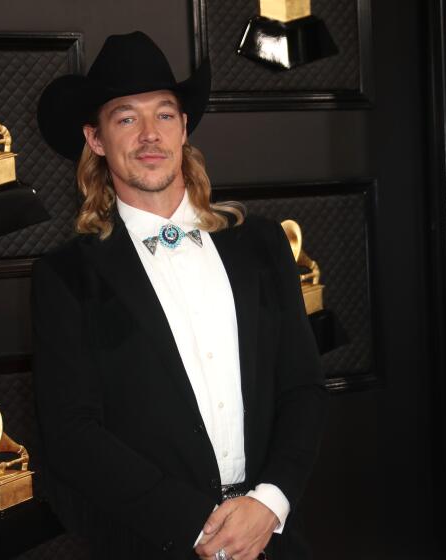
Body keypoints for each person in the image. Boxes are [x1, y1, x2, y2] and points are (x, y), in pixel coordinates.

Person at [33, 31, 327, 560]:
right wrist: (197, 527)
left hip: (272, 533)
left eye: (164, 114)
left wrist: (270, 503)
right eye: (126, 118)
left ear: (184, 127)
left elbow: (303, 387)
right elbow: (72, 435)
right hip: (155, 540)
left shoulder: (260, 245)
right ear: (95, 139)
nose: (150, 135)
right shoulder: (66, 275)